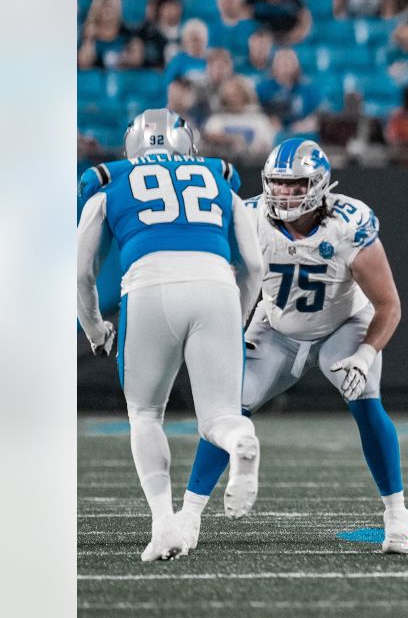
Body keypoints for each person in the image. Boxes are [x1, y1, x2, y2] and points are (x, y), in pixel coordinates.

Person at [178, 138, 408, 554]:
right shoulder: (249, 216)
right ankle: (189, 515)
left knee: (365, 400)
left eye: (296, 184)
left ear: (320, 184)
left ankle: (397, 514)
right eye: (278, 183)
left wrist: (365, 354)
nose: (285, 193)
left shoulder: (349, 222)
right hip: (276, 327)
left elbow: (389, 305)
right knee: (228, 408)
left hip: (342, 324)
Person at [76, 109, 263, 561]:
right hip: (216, 284)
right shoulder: (219, 178)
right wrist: (235, 318)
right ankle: (241, 441)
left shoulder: (109, 182)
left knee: (144, 413)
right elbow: (254, 266)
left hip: (149, 288)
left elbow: (82, 272)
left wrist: (96, 328)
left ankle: (164, 525)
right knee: (218, 417)